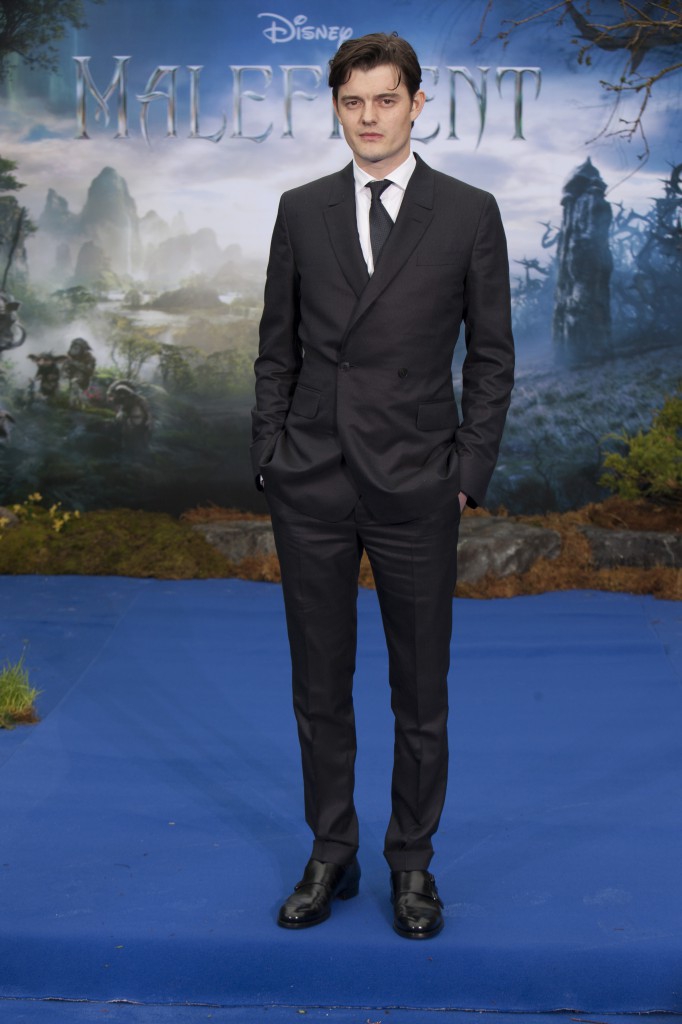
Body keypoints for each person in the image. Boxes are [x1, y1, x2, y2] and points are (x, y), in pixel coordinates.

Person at [251, 32, 514, 939]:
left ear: (417, 104)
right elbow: (275, 348)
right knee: (318, 685)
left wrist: (465, 474)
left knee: (420, 691)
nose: (369, 117)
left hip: (417, 482)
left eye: (385, 100)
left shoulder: (469, 212)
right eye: (352, 102)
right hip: (312, 481)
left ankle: (412, 862)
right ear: (336, 107)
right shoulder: (301, 209)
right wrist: (270, 456)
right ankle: (333, 850)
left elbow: (492, 357)